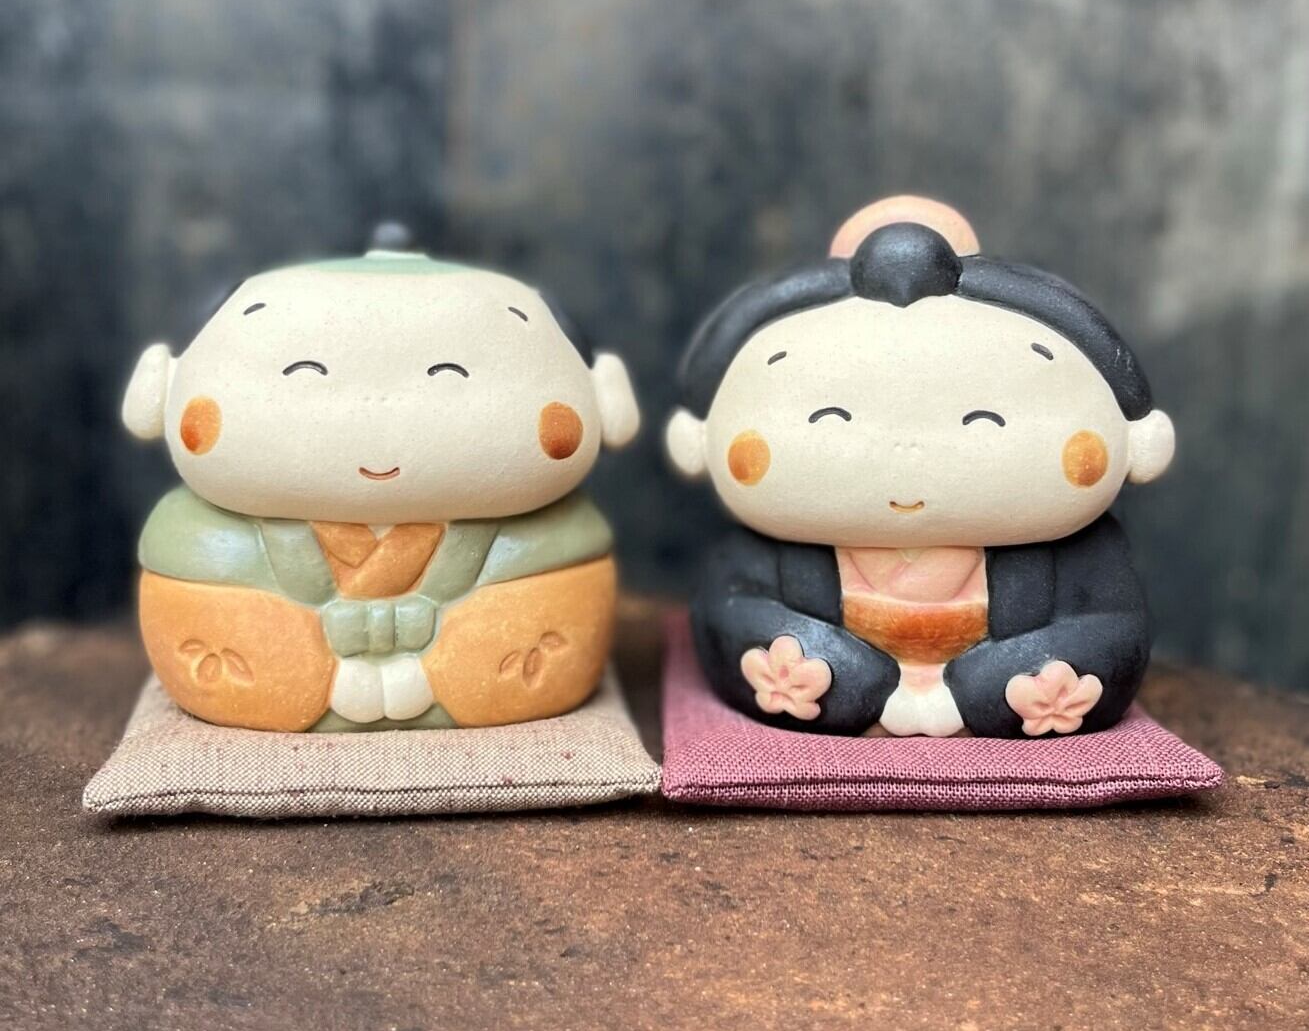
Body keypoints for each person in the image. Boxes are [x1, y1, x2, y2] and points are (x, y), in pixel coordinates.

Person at [665, 197, 1174, 738]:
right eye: (828, 419)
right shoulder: (759, 552)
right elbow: (733, 621)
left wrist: (984, 690)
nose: (908, 457)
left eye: (986, 421)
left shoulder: (1085, 556)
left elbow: (1110, 636)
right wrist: (848, 679)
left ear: (1135, 443)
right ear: (702, 439)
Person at [122, 228, 639, 732]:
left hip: (486, 653)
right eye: (305, 374)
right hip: (278, 657)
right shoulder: (205, 526)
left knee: (537, 603)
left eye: (450, 376)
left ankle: (455, 683)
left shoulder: (553, 526)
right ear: (160, 390)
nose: (377, 424)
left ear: (604, 401)